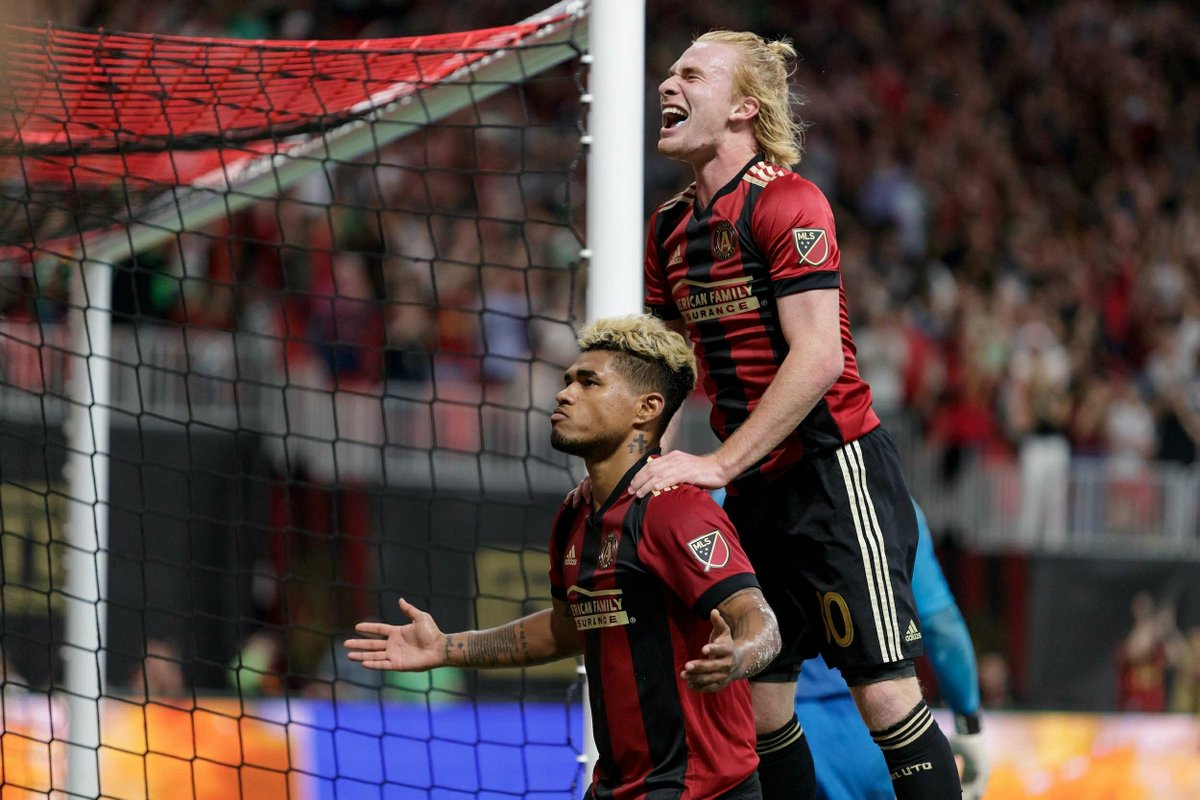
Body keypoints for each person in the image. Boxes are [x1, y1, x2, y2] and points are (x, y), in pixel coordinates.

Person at [634, 30, 962, 798]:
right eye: (668, 71)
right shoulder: (668, 229)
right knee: (757, 705)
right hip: (757, 488)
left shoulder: (789, 200)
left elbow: (818, 360)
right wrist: (635, 468)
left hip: (836, 473)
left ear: (746, 105)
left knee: (883, 696)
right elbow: (666, 372)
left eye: (691, 73)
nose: (665, 85)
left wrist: (713, 465)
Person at [346, 314, 781, 800]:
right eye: (568, 380)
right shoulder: (574, 518)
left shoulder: (676, 510)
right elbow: (565, 627)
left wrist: (739, 655)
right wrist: (447, 648)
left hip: (704, 792)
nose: (565, 393)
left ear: (647, 408)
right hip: (617, 789)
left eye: (589, 382)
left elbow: (758, 618)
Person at [794, 499, 988, 800]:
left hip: (769, 722)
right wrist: (968, 721)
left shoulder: (731, 495)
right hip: (869, 727)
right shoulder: (888, 499)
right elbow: (940, 624)